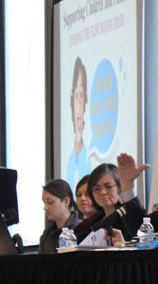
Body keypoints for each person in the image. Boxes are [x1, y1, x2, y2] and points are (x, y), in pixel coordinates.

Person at [75, 163, 132, 243]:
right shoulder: (94, 224)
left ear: (119, 187)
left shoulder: (130, 219)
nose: (102, 192)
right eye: (97, 188)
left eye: (108, 186)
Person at [66, 57, 91, 190]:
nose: (80, 102)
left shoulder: (91, 156)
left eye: (82, 95)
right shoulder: (69, 160)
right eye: (76, 95)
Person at [39, 179, 81, 254]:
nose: (45, 207)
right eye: (44, 203)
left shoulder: (79, 229)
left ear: (66, 201)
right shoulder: (48, 230)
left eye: (50, 202)